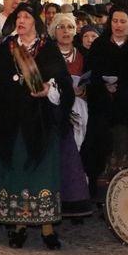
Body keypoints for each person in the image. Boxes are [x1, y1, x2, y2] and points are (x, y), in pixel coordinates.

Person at [0, 3, 73, 248]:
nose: (21, 20)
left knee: (42, 173)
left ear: (35, 22)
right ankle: (18, 227)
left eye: (26, 17)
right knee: (17, 172)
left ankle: (48, 229)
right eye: (18, 17)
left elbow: (63, 82)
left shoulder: (47, 49)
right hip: (11, 122)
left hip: (40, 123)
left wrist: (49, 90)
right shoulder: (5, 49)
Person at [81, 5, 128, 199]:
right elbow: (89, 73)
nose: (118, 25)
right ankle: (97, 193)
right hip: (103, 105)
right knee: (98, 145)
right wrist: (102, 86)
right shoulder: (99, 45)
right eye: (114, 21)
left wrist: (123, 88)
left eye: (123, 21)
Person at [49, 13, 94, 222]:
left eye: (69, 27)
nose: (65, 31)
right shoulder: (47, 53)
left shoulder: (84, 55)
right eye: (61, 27)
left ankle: (76, 199)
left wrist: (83, 91)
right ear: (53, 31)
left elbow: (91, 81)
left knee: (77, 149)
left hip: (80, 107)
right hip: (55, 106)